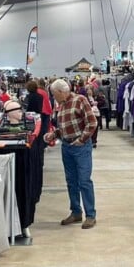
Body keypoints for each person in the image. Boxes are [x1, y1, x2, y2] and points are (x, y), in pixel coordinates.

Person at [44, 78, 98, 228]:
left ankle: (90, 215)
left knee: (84, 181)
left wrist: (82, 139)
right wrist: (54, 134)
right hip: (67, 147)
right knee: (71, 182)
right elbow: (64, 127)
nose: (54, 97)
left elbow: (92, 122)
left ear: (62, 92)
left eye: (55, 94)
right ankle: (76, 212)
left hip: (80, 147)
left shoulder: (80, 100)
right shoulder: (60, 105)